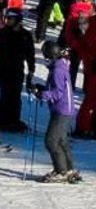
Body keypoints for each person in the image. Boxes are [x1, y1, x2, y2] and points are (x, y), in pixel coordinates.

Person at [36, 37, 82, 182]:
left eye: (46, 56)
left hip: (62, 110)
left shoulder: (57, 70)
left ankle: (61, 171)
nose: (45, 60)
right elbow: (57, 88)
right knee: (61, 140)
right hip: (65, 109)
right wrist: (41, 89)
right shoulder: (59, 67)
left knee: (51, 140)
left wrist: (42, 94)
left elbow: (57, 92)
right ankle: (69, 169)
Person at [0, 8, 35, 135]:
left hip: (17, 70)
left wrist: (31, 70)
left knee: (15, 96)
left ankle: (14, 121)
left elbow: (30, 54)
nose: (7, 21)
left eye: (10, 19)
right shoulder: (2, 33)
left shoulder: (25, 35)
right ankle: (2, 121)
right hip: (3, 69)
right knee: (4, 95)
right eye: (7, 18)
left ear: (17, 20)